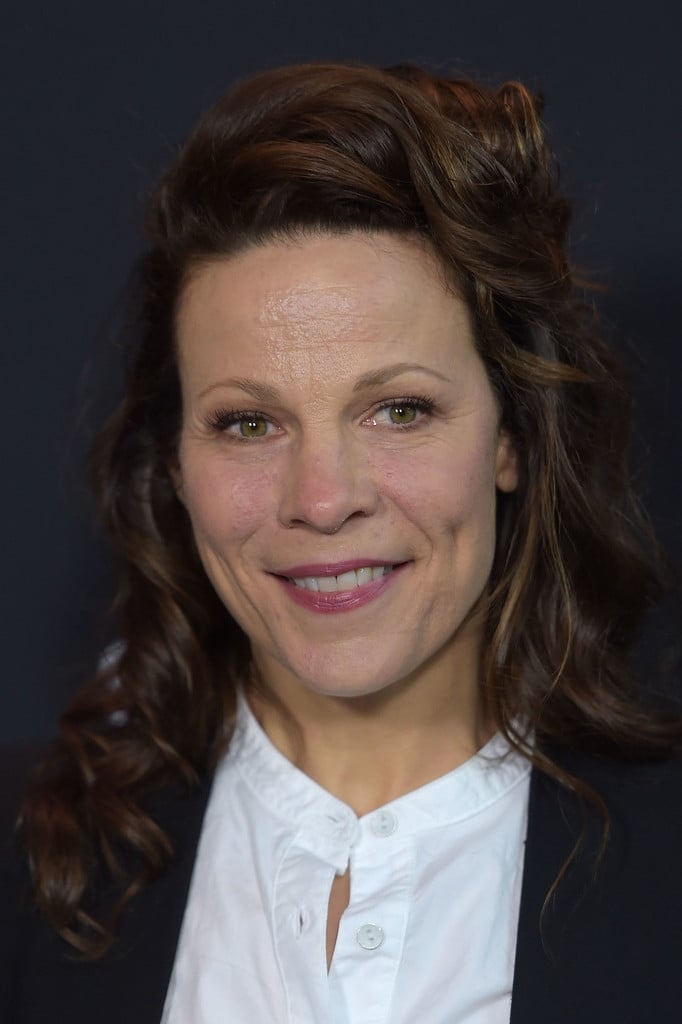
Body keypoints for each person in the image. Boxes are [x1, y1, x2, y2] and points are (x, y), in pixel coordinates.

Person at [2, 61, 681, 1024]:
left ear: (513, 438)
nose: (322, 502)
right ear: (174, 464)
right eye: (248, 424)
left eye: (399, 410)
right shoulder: (25, 861)